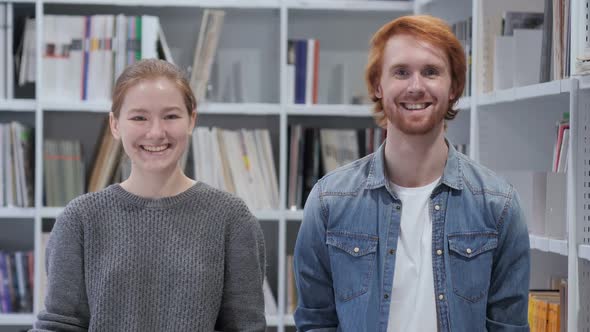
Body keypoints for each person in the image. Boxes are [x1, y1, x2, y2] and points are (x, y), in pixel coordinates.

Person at [293, 15, 530, 332]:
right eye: (401, 72)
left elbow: (508, 327)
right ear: (378, 85)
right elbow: (315, 324)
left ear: (454, 87)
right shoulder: (328, 202)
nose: (416, 86)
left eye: (431, 72)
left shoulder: (498, 206)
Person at [32, 59, 266, 331]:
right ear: (115, 124)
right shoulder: (81, 220)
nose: (156, 132)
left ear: (192, 120)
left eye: (171, 116)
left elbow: (246, 327)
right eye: (139, 117)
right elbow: (59, 325)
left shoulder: (232, 219)